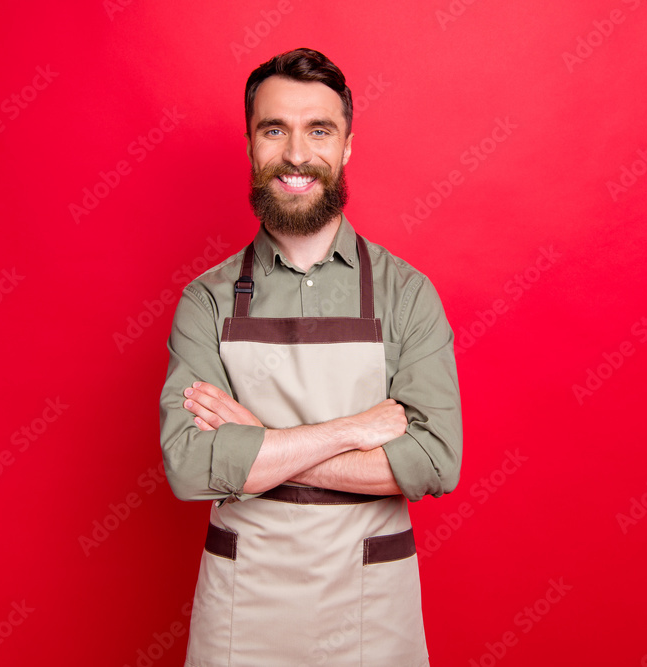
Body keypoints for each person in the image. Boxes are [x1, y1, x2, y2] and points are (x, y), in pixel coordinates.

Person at [159, 47, 462, 666]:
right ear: (250, 145)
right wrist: (353, 431)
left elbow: (434, 462)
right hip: (243, 604)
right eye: (275, 130)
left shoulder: (408, 294)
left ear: (347, 146)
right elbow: (190, 467)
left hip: (369, 606)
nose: (297, 155)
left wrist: (258, 445)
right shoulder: (206, 301)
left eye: (318, 130)